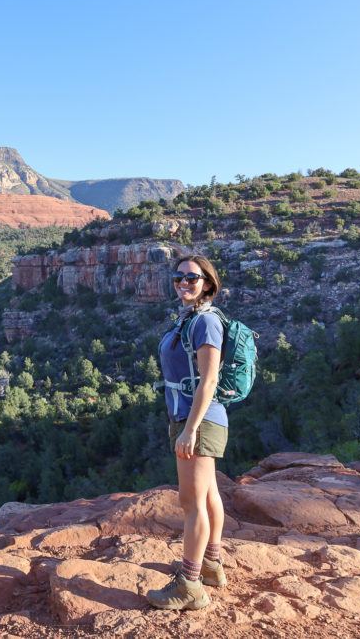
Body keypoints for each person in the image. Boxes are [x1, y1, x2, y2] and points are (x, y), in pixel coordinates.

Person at [146, 254, 228, 611]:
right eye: (178, 277)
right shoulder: (191, 318)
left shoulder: (206, 322)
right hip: (194, 417)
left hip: (199, 418)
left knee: (190, 504)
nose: (183, 282)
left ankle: (189, 585)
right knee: (208, 496)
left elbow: (209, 380)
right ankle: (211, 565)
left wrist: (189, 429)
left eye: (192, 278)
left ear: (207, 283)